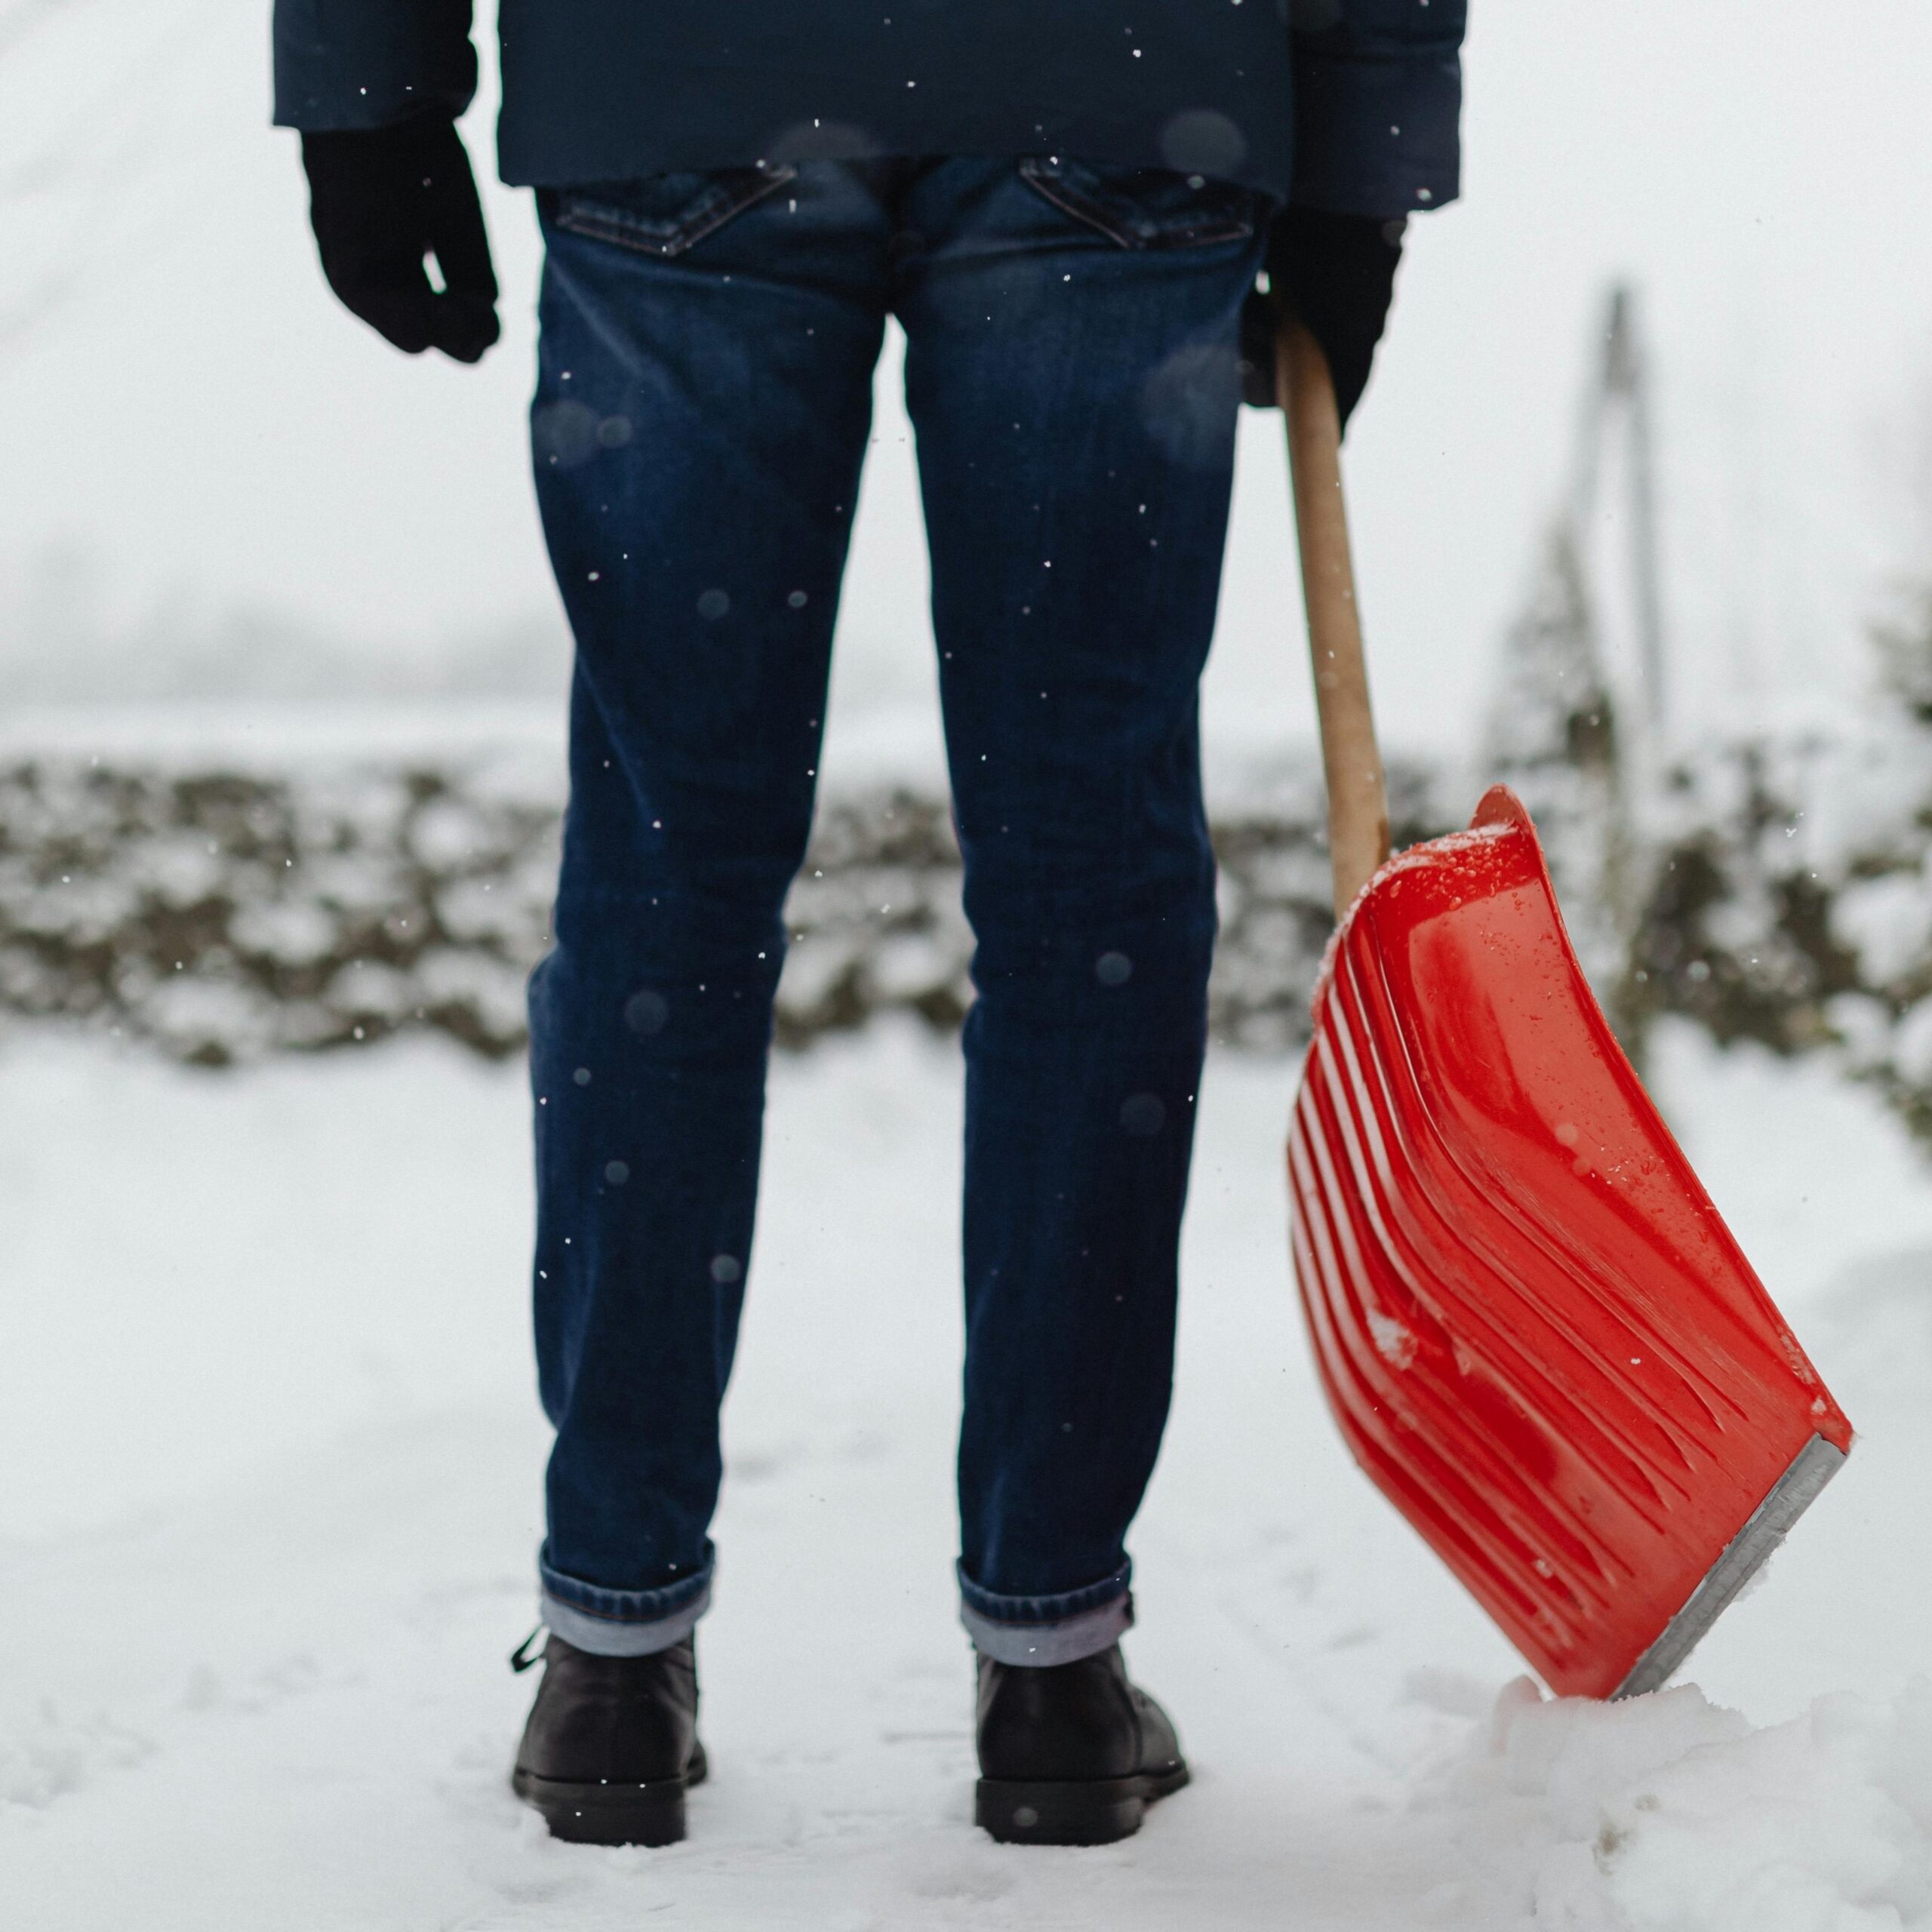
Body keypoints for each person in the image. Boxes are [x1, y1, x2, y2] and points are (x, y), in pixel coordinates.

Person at [273, 0, 1465, 1850]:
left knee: (670, 855)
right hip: (1115, 95)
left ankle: (611, 1646)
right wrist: (1367, 140)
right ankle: (1055, 1659)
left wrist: (366, 82)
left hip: (680, 92)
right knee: (1085, 875)